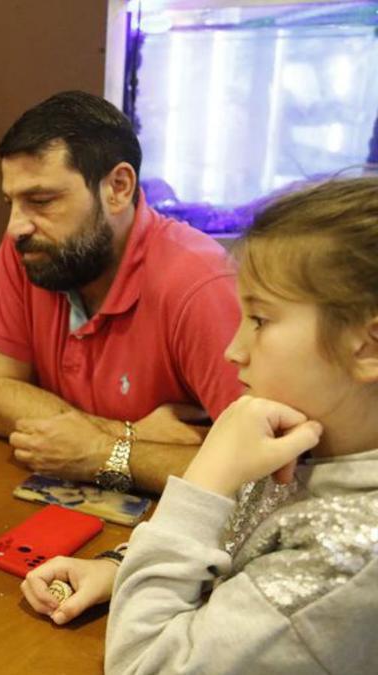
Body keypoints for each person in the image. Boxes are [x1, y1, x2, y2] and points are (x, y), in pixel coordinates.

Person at [21, 177, 378, 673]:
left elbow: (142, 664)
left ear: (368, 346)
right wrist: (121, 567)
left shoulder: (351, 559)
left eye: (260, 319)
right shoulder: (315, 445)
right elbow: (240, 544)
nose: (234, 350)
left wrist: (204, 483)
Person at [0, 90, 243, 494]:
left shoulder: (199, 283)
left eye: (41, 200)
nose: (16, 227)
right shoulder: (30, 250)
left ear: (117, 187)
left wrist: (101, 454)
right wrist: (126, 437)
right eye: (11, 202)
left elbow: (265, 472)